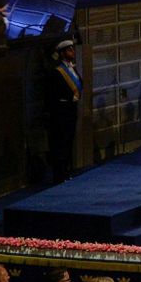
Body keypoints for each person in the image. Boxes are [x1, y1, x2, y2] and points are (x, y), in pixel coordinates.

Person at [46, 39, 82, 184]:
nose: (72, 52)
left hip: (71, 110)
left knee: (69, 142)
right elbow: (53, 93)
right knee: (60, 143)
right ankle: (59, 175)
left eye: (72, 49)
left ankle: (66, 171)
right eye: (69, 50)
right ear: (62, 53)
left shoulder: (72, 68)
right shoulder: (57, 71)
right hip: (61, 112)